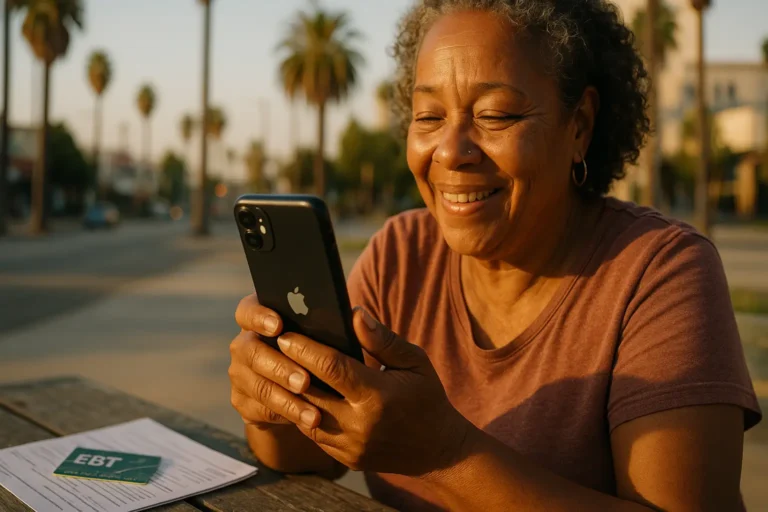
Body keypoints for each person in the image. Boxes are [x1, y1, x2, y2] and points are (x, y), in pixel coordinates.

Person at [228, 0, 762, 510]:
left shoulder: (660, 272)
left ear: (579, 127)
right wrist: (275, 401)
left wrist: (444, 455)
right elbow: (305, 459)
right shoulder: (401, 254)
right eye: (429, 116)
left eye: (496, 114)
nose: (451, 152)